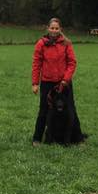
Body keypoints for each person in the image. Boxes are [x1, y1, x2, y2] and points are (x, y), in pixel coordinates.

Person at [31, 17, 78, 146]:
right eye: (52, 28)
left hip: (64, 83)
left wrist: (65, 79)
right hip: (47, 82)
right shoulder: (41, 43)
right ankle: (37, 138)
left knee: (71, 109)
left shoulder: (66, 43)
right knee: (44, 110)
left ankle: (78, 138)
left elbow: (72, 62)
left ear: (60, 29)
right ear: (48, 28)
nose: (54, 30)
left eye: (56, 28)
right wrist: (35, 83)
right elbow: (36, 63)